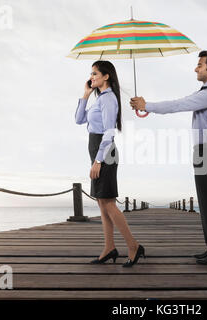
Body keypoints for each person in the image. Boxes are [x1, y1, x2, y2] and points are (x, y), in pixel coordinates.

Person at [130, 51, 207, 265]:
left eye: (200, 65)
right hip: (206, 151)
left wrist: (147, 106)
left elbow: (177, 105)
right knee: (206, 202)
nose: (196, 68)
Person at [75, 60, 145, 267]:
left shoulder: (108, 99)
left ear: (106, 76)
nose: (91, 77)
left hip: (104, 151)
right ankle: (109, 248)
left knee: (109, 204)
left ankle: (133, 246)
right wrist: (85, 95)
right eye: (91, 74)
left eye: (95, 73)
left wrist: (98, 160)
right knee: (101, 202)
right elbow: (79, 120)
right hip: (96, 147)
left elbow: (109, 132)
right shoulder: (98, 99)